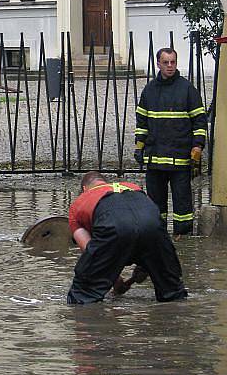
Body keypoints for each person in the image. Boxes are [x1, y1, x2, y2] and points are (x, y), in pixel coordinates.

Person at [67, 171, 188, 304]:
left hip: (114, 226)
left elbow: (90, 249)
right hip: (153, 227)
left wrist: (114, 278)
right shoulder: (134, 187)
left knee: (82, 295)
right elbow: (148, 225)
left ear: (84, 188)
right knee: (173, 292)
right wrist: (147, 266)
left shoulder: (78, 204)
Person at [134, 48, 207, 236]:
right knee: (156, 206)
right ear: (158, 64)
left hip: (180, 160)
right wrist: (139, 147)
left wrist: (198, 146)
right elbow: (142, 122)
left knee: (183, 207)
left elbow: (199, 121)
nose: (169, 66)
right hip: (155, 160)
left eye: (173, 62)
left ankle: (184, 243)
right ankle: (158, 240)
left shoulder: (187, 89)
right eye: (165, 62)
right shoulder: (150, 90)